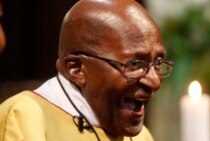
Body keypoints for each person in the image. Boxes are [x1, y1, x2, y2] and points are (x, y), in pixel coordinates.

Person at [0, 0, 174, 140]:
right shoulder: (26, 116)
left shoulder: (141, 136)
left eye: (158, 63)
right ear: (77, 69)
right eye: (135, 64)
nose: (155, 81)